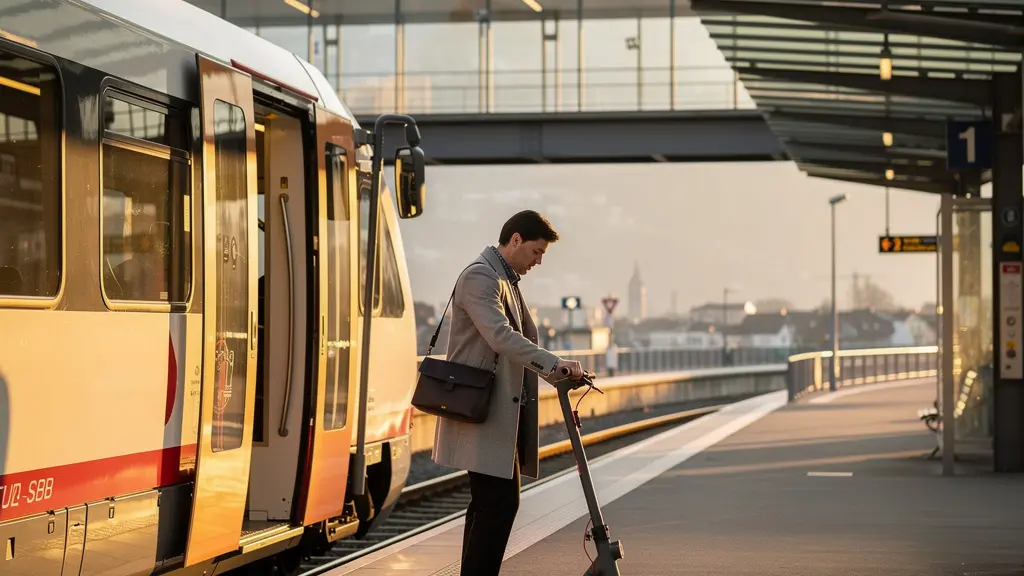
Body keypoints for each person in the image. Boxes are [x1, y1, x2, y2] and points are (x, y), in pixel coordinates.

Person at [431, 209, 585, 576]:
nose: (539, 261)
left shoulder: (505, 278)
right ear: (515, 239)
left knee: (489, 506)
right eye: (536, 251)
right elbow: (501, 337)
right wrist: (554, 364)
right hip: (482, 409)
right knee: (497, 505)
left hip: (500, 411)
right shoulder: (481, 276)